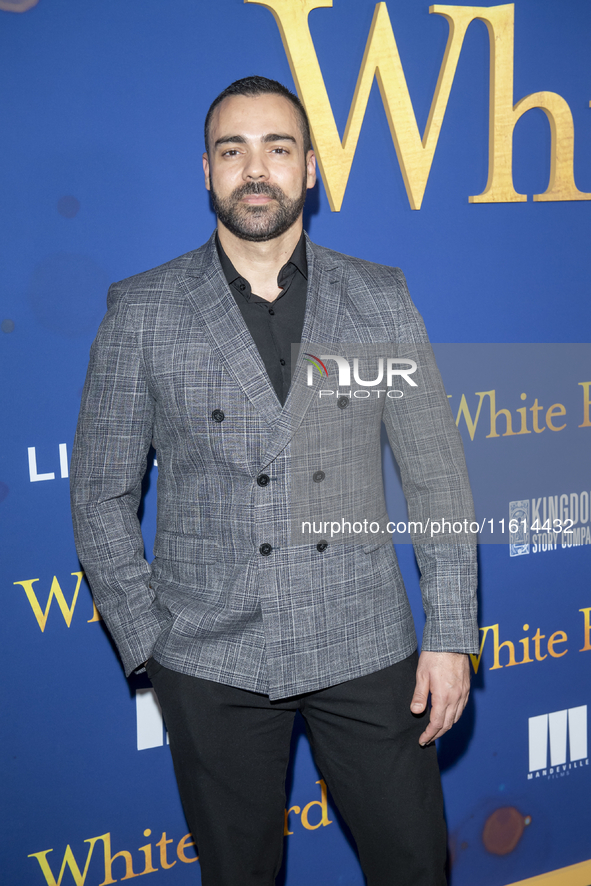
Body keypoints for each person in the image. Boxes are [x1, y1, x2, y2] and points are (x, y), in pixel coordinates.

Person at [70, 76, 478, 886]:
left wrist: (450, 634)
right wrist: (152, 643)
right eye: (234, 150)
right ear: (207, 170)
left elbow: (436, 478)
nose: (255, 169)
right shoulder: (142, 311)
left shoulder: (379, 299)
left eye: (276, 148)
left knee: (413, 867)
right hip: (212, 658)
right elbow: (99, 492)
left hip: (364, 644)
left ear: (310, 169)